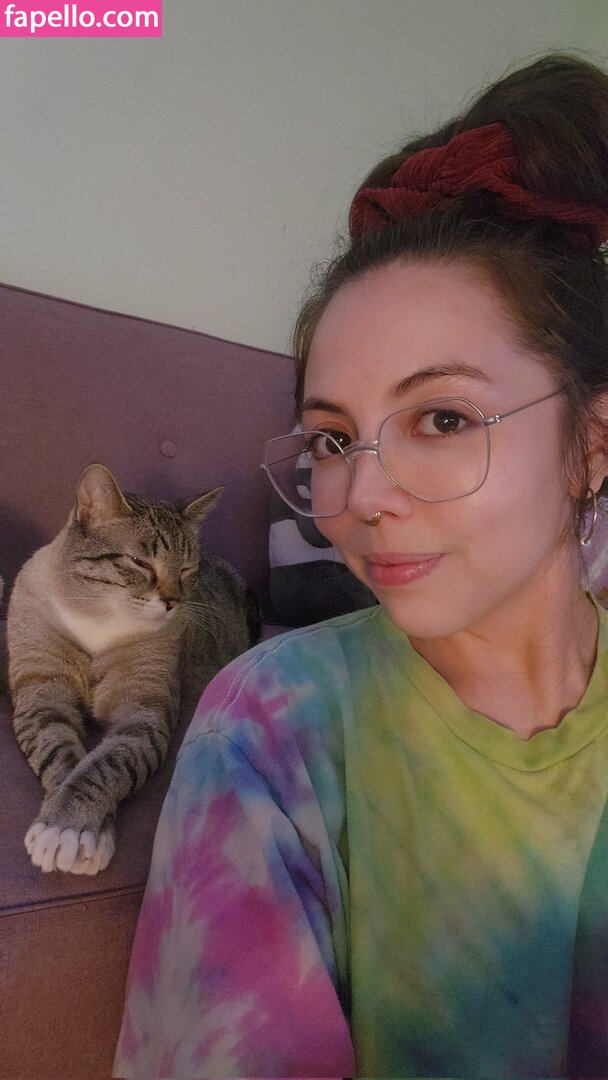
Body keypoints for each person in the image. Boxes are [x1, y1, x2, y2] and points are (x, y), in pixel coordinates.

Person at [114, 53, 608, 1078]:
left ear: (591, 446)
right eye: (333, 440)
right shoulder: (270, 727)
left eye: (442, 418)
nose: (359, 496)